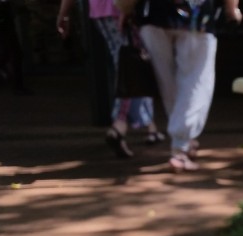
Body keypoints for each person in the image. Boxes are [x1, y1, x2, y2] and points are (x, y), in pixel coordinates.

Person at [130, 0, 242, 171]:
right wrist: (232, 9)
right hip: (196, 17)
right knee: (195, 83)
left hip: (152, 15)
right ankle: (180, 147)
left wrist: (126, 8)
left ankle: (183, 141)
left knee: (167, 83)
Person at [56, 0, 165, 158]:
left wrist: (63, 14)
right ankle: (119, 126)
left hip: (99, 11)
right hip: (121, 8)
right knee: (132, 65)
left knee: (131, 62)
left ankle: (150, 126)